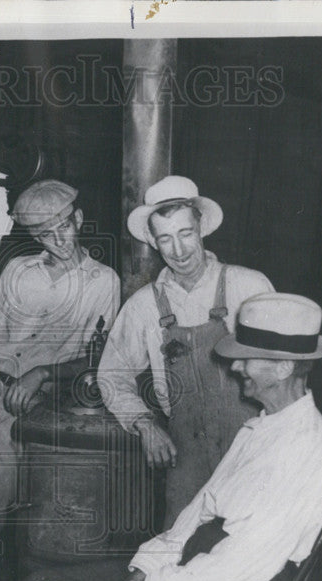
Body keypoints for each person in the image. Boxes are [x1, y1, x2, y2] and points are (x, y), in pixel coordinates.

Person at [22, 293, 322, 581]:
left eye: (247, 359)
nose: (235, 368)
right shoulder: (262, 428)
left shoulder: (311, 451)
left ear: (284, 366)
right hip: (203, 565)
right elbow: (198, 510)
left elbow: (244, 564)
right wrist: (147, 565)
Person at [0, 179, 120, 578]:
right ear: (33, 236)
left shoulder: (104, 282)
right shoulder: (18, 269)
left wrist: (43, 373)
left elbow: (95, 359)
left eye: (63, 227)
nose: (57, 239)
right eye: (43, 234)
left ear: (78, 219)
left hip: (23, 402)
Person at [98, 175, 274, 531]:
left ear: (201, 228)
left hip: (251, 447)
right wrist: (144, 423)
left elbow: (285, 368)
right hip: (186, 454)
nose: (178, 251)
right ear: (153, 243)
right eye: (166, 239)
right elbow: (111, 374)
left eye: (185, 234)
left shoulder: (249, 286)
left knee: (254, 549)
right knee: (178, 551)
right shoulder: (143, 306)